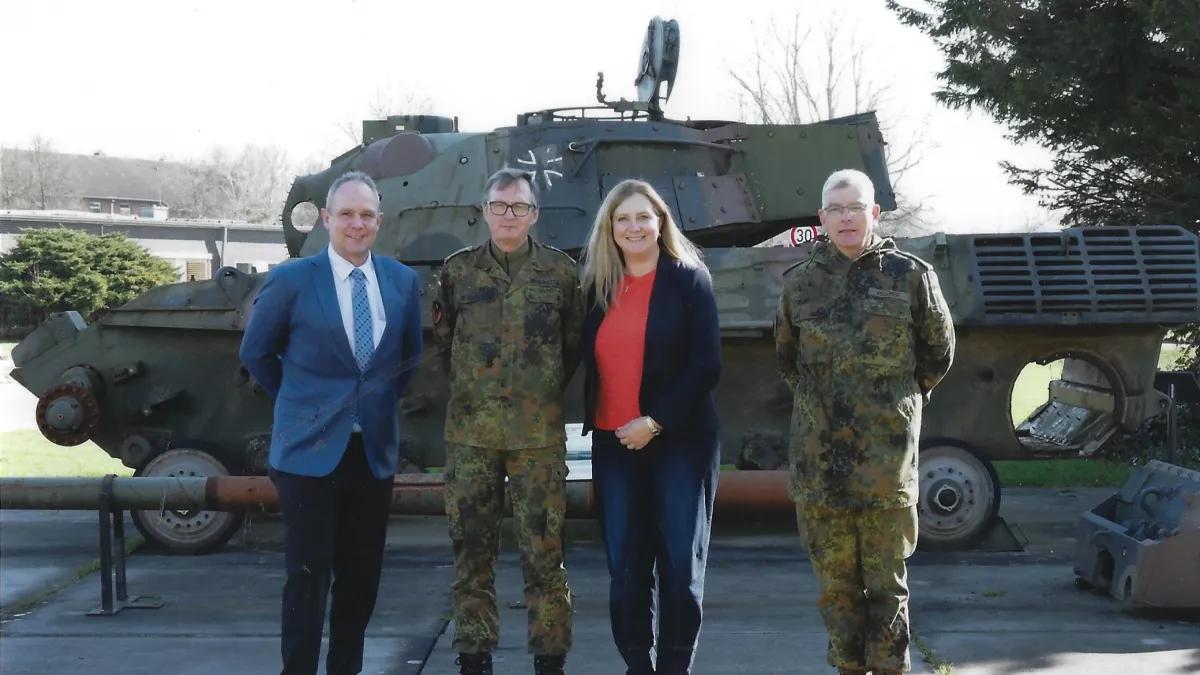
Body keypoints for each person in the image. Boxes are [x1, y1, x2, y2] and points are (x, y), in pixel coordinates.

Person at [239, 171, 424, 675]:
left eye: (366, 215)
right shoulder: (293, 279)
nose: (356, 224)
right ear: (326, 219)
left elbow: (407, 358)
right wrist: (304, 403)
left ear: (379, 220)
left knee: (361, 580)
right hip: (308, 455)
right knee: (307, 578)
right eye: (346, 214)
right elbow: (256, 353)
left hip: (372, 454)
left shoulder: (402, 282)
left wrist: (372, 406)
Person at [775, 169, 955, 675]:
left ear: (874, 213)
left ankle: (891, 668)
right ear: (822, 218)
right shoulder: (800, 284)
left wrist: (895, 404)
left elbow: (938, 354)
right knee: (835, 589)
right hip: (820, 467)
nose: (846, 217)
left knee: (886, 587)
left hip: (885, 464)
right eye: (836, 209)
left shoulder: (910, 276)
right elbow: (788, 361)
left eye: (855, 207)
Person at [432, 168, 585, 675]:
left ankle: (550, 657)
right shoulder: (457, 272)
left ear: (534, 214)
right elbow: (444, 345)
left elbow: (571, 346)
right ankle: (474, 655)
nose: (509, 216)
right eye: (499, 206)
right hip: (471, 435)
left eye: (519, 207)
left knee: (545, 551)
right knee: (471, 551)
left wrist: (536, 389)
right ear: (485, 211)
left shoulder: (561, 273)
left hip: (537, 435)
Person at [579, 179, 722, 675]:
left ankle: (675, 667)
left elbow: (706, 365)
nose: (634, 227)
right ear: (610, 228)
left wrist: (655, 421)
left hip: (679, 441)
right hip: (614, 444)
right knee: (625, 569)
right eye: (623, 219)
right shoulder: (596, 287)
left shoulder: (689, 280)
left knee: (680, 566)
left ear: (660, 222)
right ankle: (637, 664)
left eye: (644, 216)